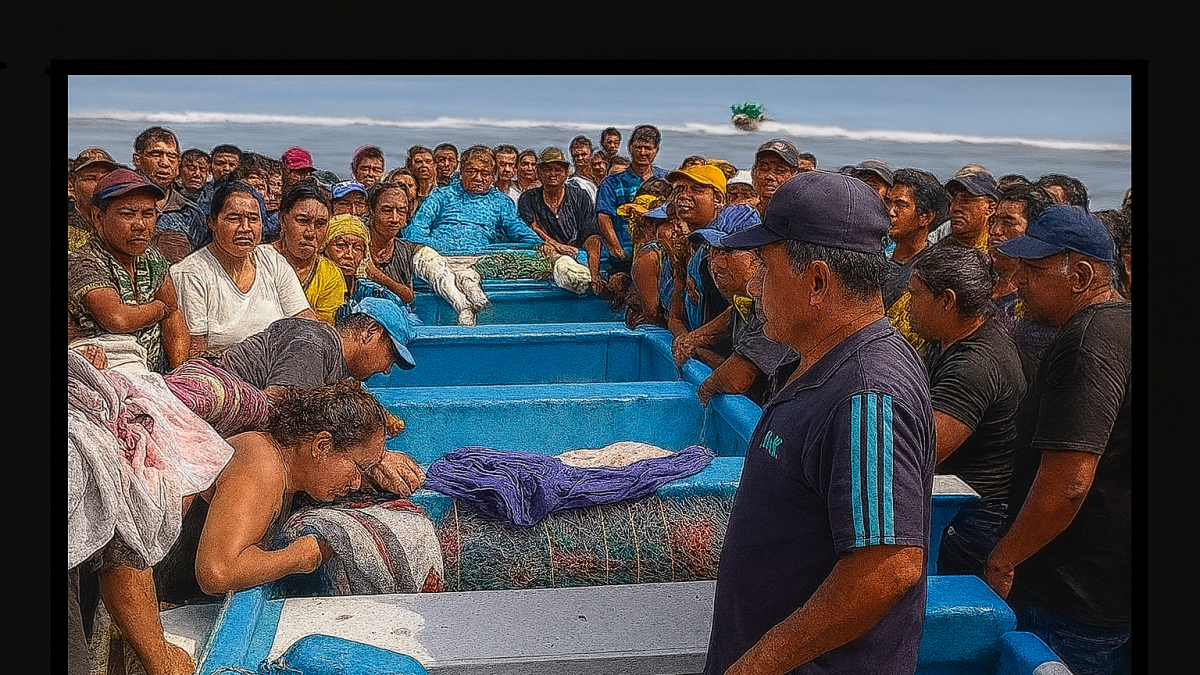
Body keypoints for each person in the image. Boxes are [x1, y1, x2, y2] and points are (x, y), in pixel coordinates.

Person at [704, 170, 935, 674]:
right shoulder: (818, 358)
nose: (754, 285)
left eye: (764, 267)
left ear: (816, 281)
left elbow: (888, 567)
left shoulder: (867, 391)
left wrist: (756, 666)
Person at [985, 205, 1130, 675]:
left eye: (1034, 269)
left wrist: (1004, 559)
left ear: (1082, 275)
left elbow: (1069, 482)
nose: (1018, 280)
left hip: (1072, 595)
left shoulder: (1088, 339)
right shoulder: (1123, 324)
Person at [153, 379, 423, 606]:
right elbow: (217, 572)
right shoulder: (261, 461)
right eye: (358, 468)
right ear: (322, 446)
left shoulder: (289, 472)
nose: (355, 482)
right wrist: (299, 558)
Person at [906, 245, 1026, 577]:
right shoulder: (948, 338)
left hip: (972, 518)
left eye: (915, 296)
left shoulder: (974, 363)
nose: (909, 308)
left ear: (946, 300)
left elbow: (921, 451)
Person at [171, 180, 317, 356]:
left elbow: (305, 320)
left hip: (280, 363)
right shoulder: (191, 273)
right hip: (223, 371)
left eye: (253, 219)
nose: (245, 228)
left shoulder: (272, 260)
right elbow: (195, 351)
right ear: (213, 223)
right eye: (234, 219)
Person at [68, 169, 190, 374]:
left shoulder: (151, 257)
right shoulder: (83, 261)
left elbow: (174, 315)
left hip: (156, 376)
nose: (140, 225)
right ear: (98, 217)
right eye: (127, 214)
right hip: (105, 376)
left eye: (148, 214)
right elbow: (117, 319)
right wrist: (159, 308)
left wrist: (179, 373)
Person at [689, 219, 799, 407]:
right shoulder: (742, 302)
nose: (715, 263)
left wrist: (704, 392)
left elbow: (737, 378)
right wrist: (696, 342)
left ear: (756, 259)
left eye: (726, 253)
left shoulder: (776, 306)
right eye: (712, 253)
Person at [405, 145, 544, 255]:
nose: (478, 178)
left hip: (481, 258)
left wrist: (540, 245)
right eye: (471, 172)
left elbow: (518, 230)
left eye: (484, 173)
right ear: (462, 171)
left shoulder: (501, 202)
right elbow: (417, 229)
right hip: (438, 256)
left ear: (492, 176)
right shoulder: (441, 196)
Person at [989, 182, 1058, 383]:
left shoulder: (1039, 290)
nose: (995, 231)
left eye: (1008, 223)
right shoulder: (983, 275)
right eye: (994, 221)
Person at [882, 168, 950, 355]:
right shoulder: (877, 256)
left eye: (901, 205)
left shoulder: (930, 271)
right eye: (888, 202)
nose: (890, 211)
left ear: (925, 217)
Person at [517, 146, 602, 283]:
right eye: (547, 169)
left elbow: (591, 235)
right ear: (538, 172)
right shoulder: (528, 198)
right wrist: (557, 245)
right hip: (544, 253)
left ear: (567, 172)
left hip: (576, 253)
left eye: (558, 170)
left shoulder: (580, 196)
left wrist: (594, 273)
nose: (553, 174)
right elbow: (532, 228)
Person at [595, 124, 669, 276]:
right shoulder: (611, 183)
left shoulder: (666, 180)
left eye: (648, 148)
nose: (643, 152)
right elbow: (604, 217)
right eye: (638, 147)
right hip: (624, 256)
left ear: (656, 151)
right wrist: (617, 250)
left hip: (659, 253)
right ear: (629, 148)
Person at [271, 183, 344, 324]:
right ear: (282, 219)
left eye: (320, 224)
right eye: (303, 221)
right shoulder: (258, 259)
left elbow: (322, 330)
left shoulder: (329, 275)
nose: (310, 233)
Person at [134, 127, 208, 264]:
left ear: (178, 164)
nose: (165, 163)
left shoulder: (191, 213)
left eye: (171, 157)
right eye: (156, 154)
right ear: (137, 159)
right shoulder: (118, 204)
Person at [67, 147, 120, 251]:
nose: (100, 185)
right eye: (90, 179)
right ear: (72, 184)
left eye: (106, 178)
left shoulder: (122, 223)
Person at [943, 170, 999, 252]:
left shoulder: (1000, 255)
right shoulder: (935, 251)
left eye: (966, 200)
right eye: (952, 199)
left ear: (990, 208)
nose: (954, 207)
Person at [750, 138, 801, 217]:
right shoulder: (740, 215)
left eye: (779, 170)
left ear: (795, 175)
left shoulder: (801, 216)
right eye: (764, 168)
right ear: (753, 172)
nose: (769, 176)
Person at [567, 134, 599, 200]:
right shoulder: (573, 183)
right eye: (576, 155)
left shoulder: (597, 176)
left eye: (583, 154)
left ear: (591, 155)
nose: (580, 158)